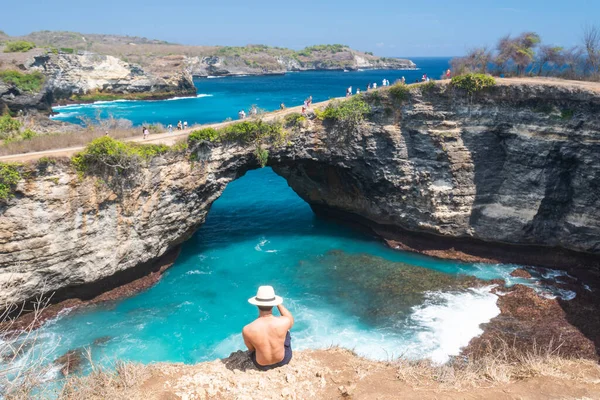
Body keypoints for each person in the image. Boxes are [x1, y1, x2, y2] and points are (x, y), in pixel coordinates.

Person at [243, 286, 294, 371]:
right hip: (283, 360)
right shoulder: (284, 322)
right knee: (286, 331)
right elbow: (291, 321)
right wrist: (277, 303)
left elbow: (251, 349)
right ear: (273, 303)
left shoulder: (247, 329)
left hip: (261, 365)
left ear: (257, 304)